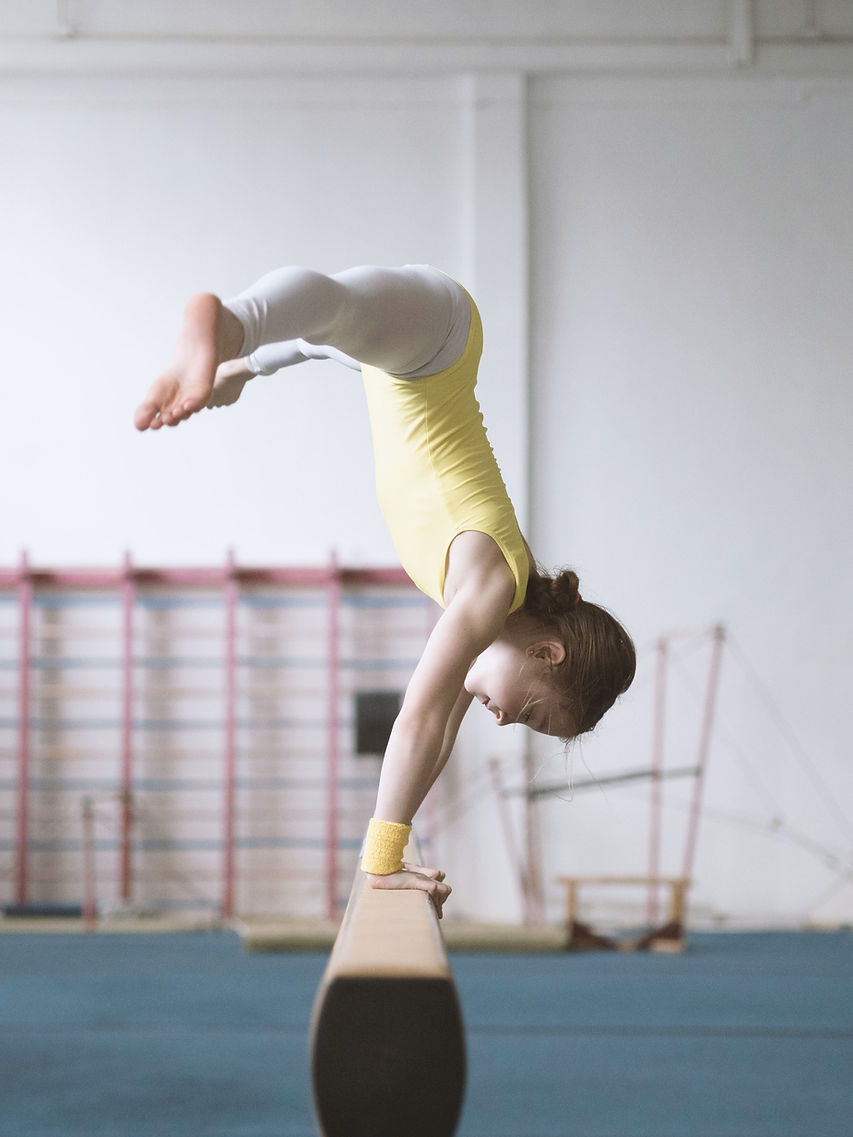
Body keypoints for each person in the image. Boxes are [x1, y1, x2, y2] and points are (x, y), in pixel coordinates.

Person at [134, 264, 635, 916]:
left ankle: (236, 352)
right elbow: (419, 718)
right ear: (547, 653)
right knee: (338, 311)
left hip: (404, 363)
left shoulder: (489, 612)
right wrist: (382, 860)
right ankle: (227, 322)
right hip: (439, 341)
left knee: (333, 330)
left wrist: (247, 371)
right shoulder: (489, 591)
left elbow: (440, 733)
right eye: (533, 714)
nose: (506, 721)